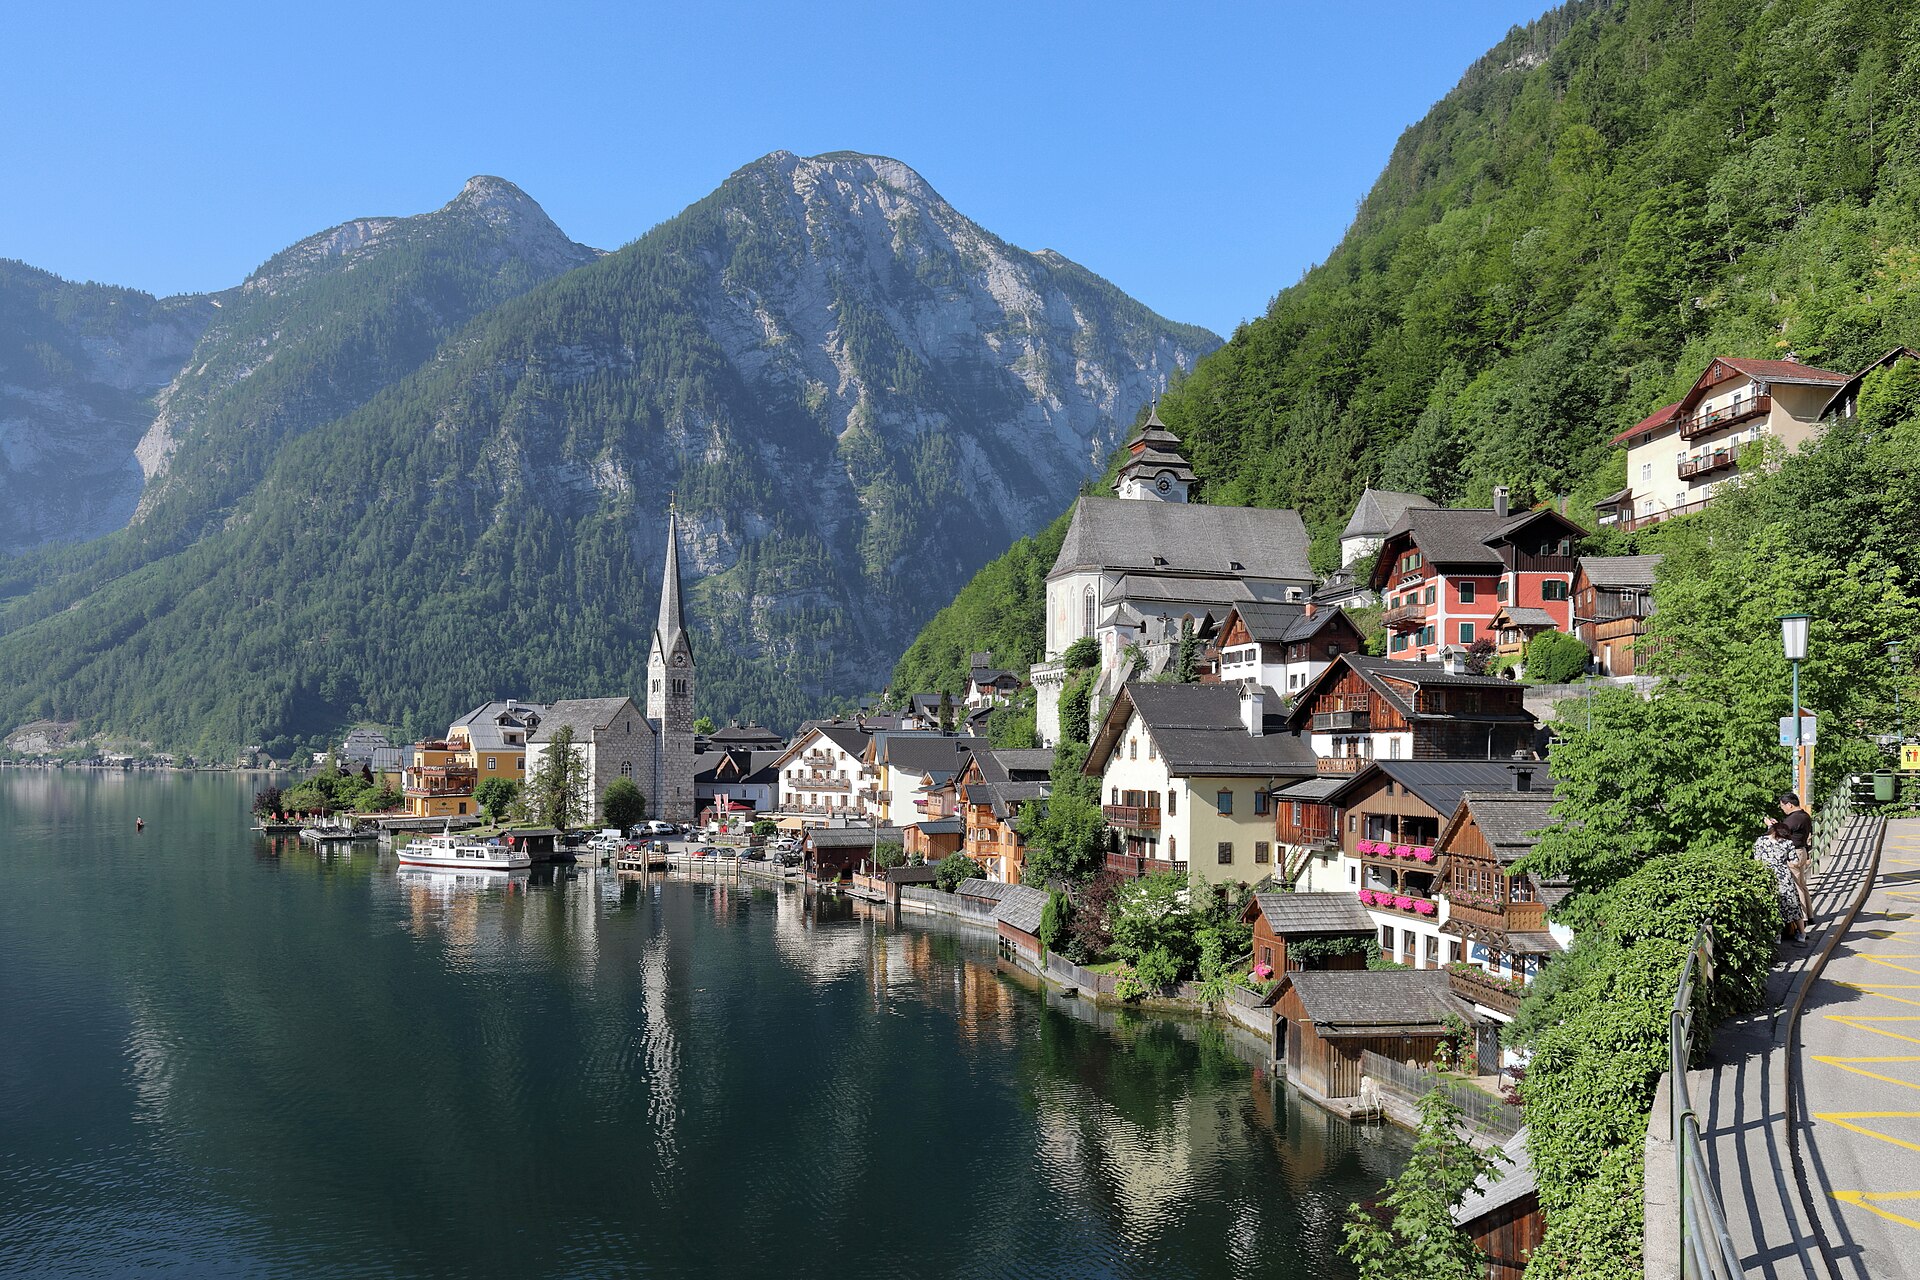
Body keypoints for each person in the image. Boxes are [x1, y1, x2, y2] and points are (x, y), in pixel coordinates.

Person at [1754, 828, 1805, 943]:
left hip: (1767, 876)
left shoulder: (1760, 841)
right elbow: (1795, 862)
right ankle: (1802, 934)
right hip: (1784, 877)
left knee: (1774, 906)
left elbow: (1757, 860)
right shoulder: (1788, 843)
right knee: (1793, 906)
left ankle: (1777, 936)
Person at [1773, 792, 1814, 926]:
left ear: (1789, 804)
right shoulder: (1805, 816)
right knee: (1802, 884)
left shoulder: (1792, 819)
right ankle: (1810, 914)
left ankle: (1803, 917)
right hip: (1802, 851)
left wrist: (1772, 826)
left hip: (1794, 853)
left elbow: (1781, 834)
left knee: (1796, 886)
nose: (1782, 809)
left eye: (1782, 806)